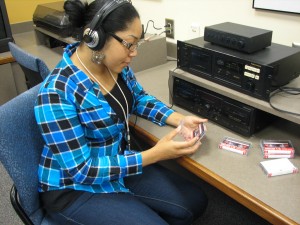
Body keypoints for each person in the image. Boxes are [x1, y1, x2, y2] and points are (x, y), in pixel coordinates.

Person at [34, 0, 208, 224]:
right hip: (75, 189)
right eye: (129, 44)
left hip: (116, 163)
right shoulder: (56, 93)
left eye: (137, 44)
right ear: (94, 37)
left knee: (195, 201)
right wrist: (155, 154)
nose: (134, 53)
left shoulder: (116, 64)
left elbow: (138, 98)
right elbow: (82, 170)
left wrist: (180, 119)